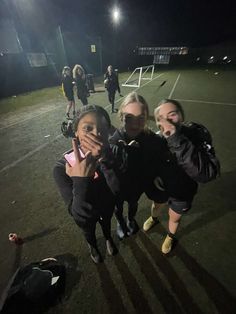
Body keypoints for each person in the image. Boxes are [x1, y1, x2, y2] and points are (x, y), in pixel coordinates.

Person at [143, 99, 220, 254]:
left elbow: (208, 173)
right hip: (162, 189)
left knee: (174, 217)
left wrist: (176, 139)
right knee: (156, 206)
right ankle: (155, 218)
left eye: (172, 115)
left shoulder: (197, 135)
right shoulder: (158, 139)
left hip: (182, 192)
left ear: (182, 115)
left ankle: (171, 236)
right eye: (162, 119)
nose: (168, 121)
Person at [53, 105, 120, 264]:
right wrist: (81, 179)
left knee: (106, 224)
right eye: (88, 128)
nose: (97, 133)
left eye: (102, 128)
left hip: (107, 206)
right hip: (87, 218)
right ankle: (93, 246)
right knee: (88, 231)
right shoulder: (62, 168)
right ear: (76, 132)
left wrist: (106, 162)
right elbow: (79, 217)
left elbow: (118, 192)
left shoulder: (112, 155)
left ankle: (108, 238)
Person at [109, 92, 168, 240]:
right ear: (121, 116)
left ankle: (130, 219)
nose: (135, 124)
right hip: (118, 187)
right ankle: (120, 221)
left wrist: (157, 175)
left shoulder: (152, 140)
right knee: (118, 206)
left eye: (141, 118)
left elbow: (159, 160)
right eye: (129, 118)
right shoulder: (114, 141)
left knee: (133, 203)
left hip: (137, 186)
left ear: (146, 117)